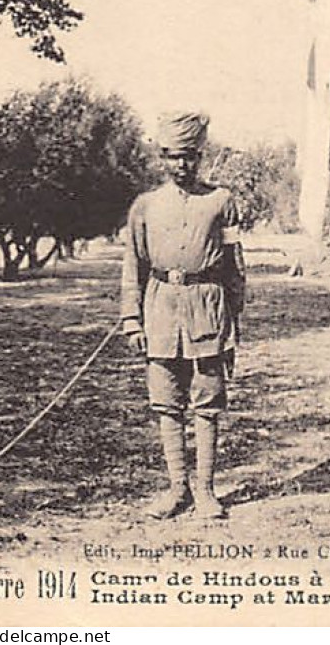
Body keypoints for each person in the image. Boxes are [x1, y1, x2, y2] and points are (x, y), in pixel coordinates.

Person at [121, 111, 246, 519]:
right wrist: (131, 318)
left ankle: (207, 492)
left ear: (200, 155)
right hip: (160, 309)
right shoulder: (146, 206)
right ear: (163, 157)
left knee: (208, 402)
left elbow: (235, 268)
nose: (182, 165)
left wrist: (234, 323)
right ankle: (178, 490)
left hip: (208, 308)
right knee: (165, 403)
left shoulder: (221, 202)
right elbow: (132, 265)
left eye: (189, 156)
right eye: (174, 157)